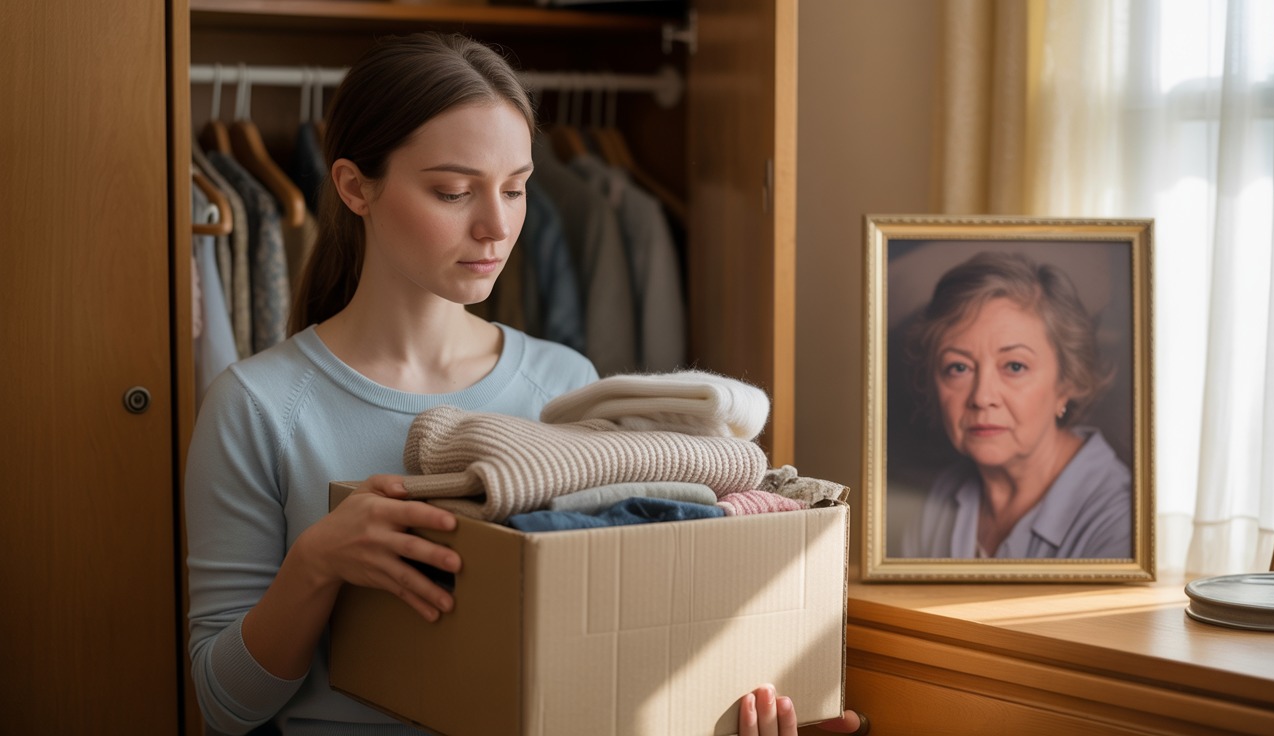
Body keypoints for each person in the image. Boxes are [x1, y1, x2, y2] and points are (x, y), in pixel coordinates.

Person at [185, 31, 861, 735]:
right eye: (454, 192)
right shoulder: (257, 407)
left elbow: (606, 652)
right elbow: (225, 707)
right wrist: (316, 563)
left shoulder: (566, 386)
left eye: (516, 188)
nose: (497, 226)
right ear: (356, 186)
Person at [898, 251, 1132, 559]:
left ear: (1068, 381)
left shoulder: (1120, 519)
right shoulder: (942, 496)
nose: (982, 397)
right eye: (958, 368)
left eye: (1015, 367)